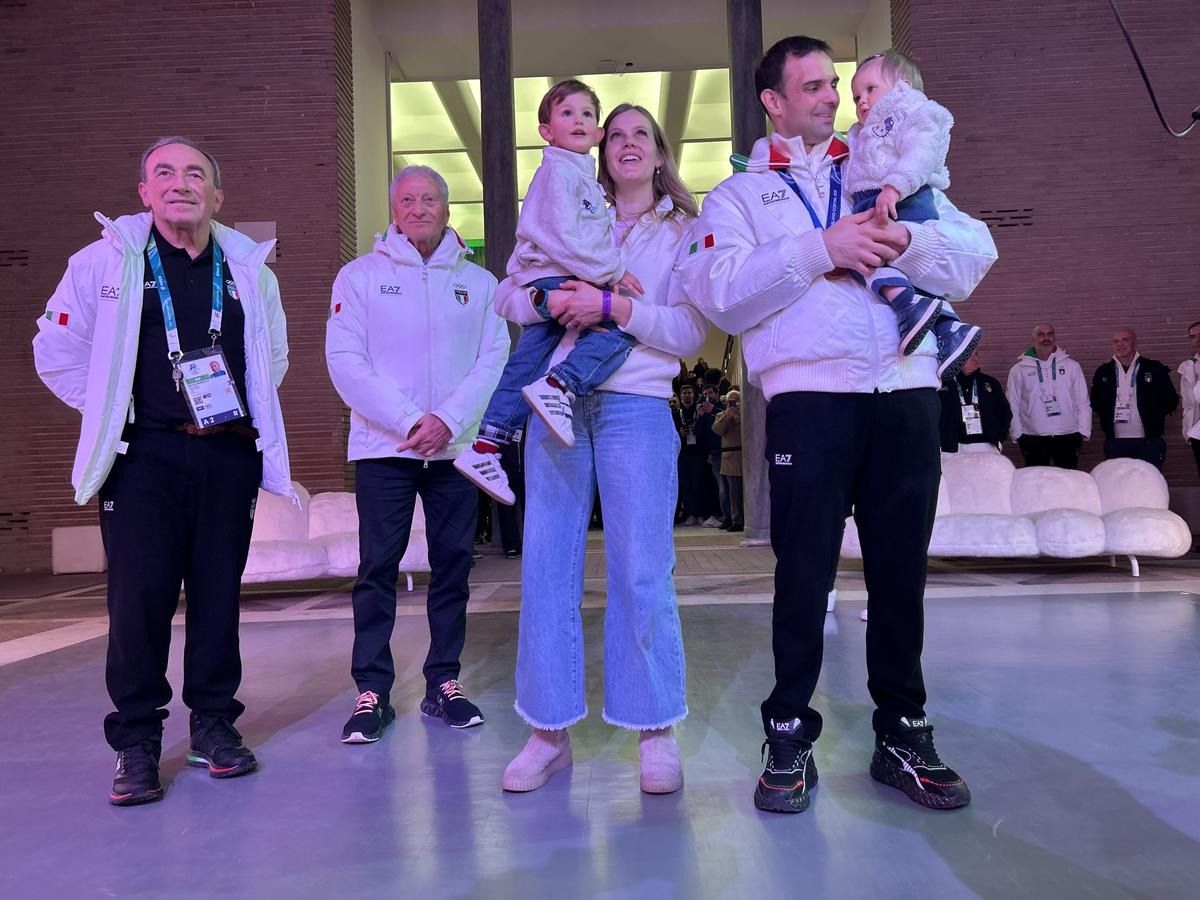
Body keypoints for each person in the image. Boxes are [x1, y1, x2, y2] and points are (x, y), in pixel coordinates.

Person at [678, 36, 996, 815]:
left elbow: (974, 254)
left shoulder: (885, 166)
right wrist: (821, 247)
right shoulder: (741, 195)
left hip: (908, 392)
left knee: (900, 576)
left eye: (835, 85)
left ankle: (903, 733)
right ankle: (788, 733)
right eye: (814, 86)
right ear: (774, 101)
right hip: (811, 401)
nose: (833, 97)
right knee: (802, 575)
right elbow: (719, 290)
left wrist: (907, 240)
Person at [33, 137, 294, 806]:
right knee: (138, 602)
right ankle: (137, 742)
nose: (181, 184)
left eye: (196, 174)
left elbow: (273, 359)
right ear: (144, 193)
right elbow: (55, 351)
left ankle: (213, 726)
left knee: (218, 597)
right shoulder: (103, 262)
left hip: (226, 454)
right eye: (165, 174)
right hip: (141, 458)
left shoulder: (249, 270)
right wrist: (111, 407)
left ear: (217, 195)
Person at [497, 103, 707, 795]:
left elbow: (688, 332)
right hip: (552, 406)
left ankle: (655, 727)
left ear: (659, 153)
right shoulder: (567, 207)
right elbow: (508, 294)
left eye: (640, 133)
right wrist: (550, 304)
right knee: (546, 568)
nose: (626, 143)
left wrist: (614, 308)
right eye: (614, 134)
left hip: (635, 406)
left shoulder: (683, 231)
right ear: (597, 150)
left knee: (641, 569)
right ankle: (547, 732)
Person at [325, 165, 509, 741]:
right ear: (394, 209)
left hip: (454, 451)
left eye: (430, 199)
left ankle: (443, 682)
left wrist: (448, 420)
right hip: (385, 448)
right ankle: (372, 691)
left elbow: (494, 359)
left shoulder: (480, 284)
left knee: (453, 567)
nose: (419, 209)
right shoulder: (359, 278)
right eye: (408, 200)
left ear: (447, 209)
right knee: (377, 570)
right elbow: (345, 362)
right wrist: (410, 420)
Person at [454, 80, 642, 504]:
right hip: (556, 277)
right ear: (546, 130)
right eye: (566, 113)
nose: (578, 120)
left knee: (525, 365)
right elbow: (563, 237)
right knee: (620, 327)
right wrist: (613, 271)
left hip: (553, 276)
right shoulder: (559, 172)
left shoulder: (580, 177)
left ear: (597, 132)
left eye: (587, 114)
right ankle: (560, 385)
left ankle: (486, 446)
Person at [843, 50, 981, 379]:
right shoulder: (866, 130)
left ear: (903, 87)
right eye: (856, 97)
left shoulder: (912, 113)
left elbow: (922, 152)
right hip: (880, 197)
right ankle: (950, 329)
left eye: (871, 90)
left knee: (863, 259)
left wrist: (895, 187)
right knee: (906, 269)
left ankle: (906, 304)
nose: (862, 102)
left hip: (899, 197)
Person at [1007, 323, 1091, 469]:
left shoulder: (1072, 366)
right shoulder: (1019, 370)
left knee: (1068, 479)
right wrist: (1018, 434)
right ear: (1034, 338)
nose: (1046, 338)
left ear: (1054, 337)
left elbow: (1082, 401)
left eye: (1050, 334)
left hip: (1068, 435)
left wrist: (1083, 431)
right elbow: (1012, 403)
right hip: (1033, 437)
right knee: (1037, 480)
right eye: (1041, 334)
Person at [1091, 328, 1178, 468]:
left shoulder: (1153, 368)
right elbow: (1095, 402)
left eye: (1125, 340)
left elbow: (1171, 400)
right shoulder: (1104, 371)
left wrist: (1153, 415)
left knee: (1149, 480)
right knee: (1119, 480)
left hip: (1148, 441)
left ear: (1135, 342)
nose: (1120, 344)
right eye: (1116, 341)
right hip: (1115, 442)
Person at [938, 350, 1011, 452]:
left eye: (976, 354)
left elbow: (1005, 412)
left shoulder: (990, 383)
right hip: (952, 448)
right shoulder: (942, 385)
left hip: (986, 445)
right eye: (969, 355)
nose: (975, 358)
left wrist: (998, 437)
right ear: (956, 357)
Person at [673, 384, 709, 525]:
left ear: (693, 395)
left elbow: (706, 430)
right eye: (684, 393)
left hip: (698, 452)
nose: (687, 395)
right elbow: (671, 434)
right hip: (683, 453)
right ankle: (690, 513)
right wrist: (679, 434)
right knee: (686, 484)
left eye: (689, 392)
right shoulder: (676, 414)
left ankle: (700, 513)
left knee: (698, 484)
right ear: (680, 396)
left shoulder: (699, 411)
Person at [712, 389, 745, 530]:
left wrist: (739, 415)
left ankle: (746, 519)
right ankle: (735, 520)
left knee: (745, 492)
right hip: (729, 458)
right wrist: (727, 416)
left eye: (735, 401)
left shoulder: (745, 414)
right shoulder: (721, 415)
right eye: (730, 402)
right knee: (732, 492)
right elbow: (717, 430)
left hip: (744, 456)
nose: (732, 404)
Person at [1177, 321, 1200, 477]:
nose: (1197, 340)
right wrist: (1188, 430)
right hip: (1197, 433)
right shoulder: (1190, 366)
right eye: (1193, 337)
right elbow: (1187, 402)